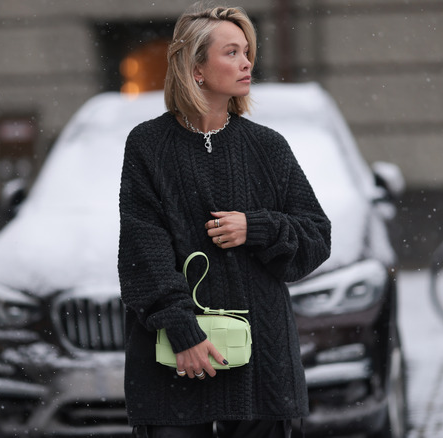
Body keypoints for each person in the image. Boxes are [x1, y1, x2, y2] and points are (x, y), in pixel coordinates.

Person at [117, 4, 331, 438]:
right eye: (231, 52)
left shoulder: (267, 147)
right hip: (175, 358)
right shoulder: (148, 145)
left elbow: (317, 235)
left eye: (247, 51)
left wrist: (258, 228)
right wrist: (182, 331)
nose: (247, 62)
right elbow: (143, 251)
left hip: (262, 361)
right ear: (196, 68)